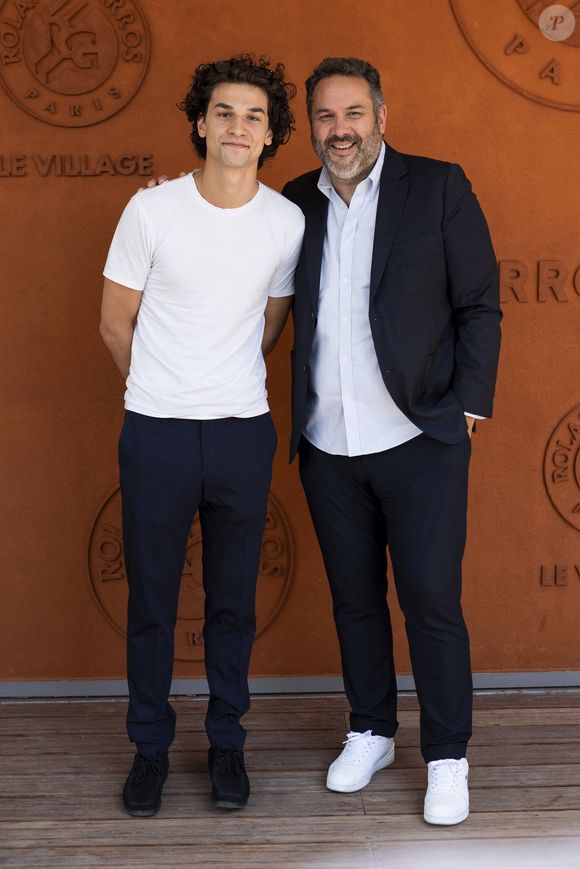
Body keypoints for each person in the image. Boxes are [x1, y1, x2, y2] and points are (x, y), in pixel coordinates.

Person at [281, 57, 501, 826]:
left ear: (381, 116)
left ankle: (446, 754)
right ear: (311, 127)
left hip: (420, 437)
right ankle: (371, 728)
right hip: (328, 442)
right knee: (354, 602)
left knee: (432, 601)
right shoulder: (292, 202)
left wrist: (469, 404)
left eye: (352, 114)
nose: (339, 131)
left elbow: (479, 302)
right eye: (325, 118)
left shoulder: (438, 186)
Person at [99, 54, 304, 817]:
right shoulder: (151, 211)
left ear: (271, 132)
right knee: (152, 599)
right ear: (199, 121)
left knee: (232, 602)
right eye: (224, 112)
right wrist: (159, 383)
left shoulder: (286, 222)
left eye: (254, 115)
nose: (238, 127)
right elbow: (114, 322)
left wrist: (216, 385)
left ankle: (227, 743)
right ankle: (149, 747)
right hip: (154, 430)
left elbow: (270, 330)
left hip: (241, 435)